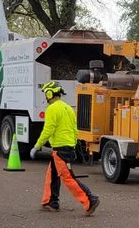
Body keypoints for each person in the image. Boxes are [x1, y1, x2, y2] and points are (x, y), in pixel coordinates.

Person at [30, 81, 99, 216]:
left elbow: (48, 130)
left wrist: (37, 146)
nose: (45, 97)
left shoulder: (52, 108)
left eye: (46, 94)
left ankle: (90, 200)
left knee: (68, 178)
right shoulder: (68, 108)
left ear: (50, 94)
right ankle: (50, 202)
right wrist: (73, 146)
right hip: (66, 148)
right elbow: (74, 129)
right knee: (52, 175)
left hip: (60, 150)